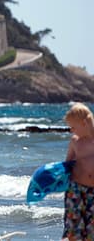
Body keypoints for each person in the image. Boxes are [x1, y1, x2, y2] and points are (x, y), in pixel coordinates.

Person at [63, 103, 94, 240]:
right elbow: (67, 164)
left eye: (73, 127)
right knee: (73, 230)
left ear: (84, 123)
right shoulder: (75, 141)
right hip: (75, 190)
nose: (71, 130)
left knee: (91, 231)